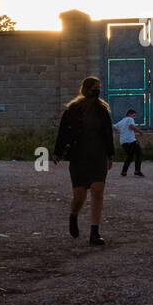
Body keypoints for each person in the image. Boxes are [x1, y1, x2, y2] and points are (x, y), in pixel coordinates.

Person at [52, 76, 113, 245]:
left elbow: (108, 133)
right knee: (79, 196)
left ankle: (95, 232)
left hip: (98, 155)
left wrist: (110, 155)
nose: (97, 89)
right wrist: (57, 153)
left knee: (97, 190)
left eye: (99, 86)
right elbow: (63, 133)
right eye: (95, 87)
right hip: (79, 156)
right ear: (86, 88)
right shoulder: (73, 109)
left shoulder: (102, 110)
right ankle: (73, 216)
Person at [115, 107, 144, 177]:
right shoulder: (130, 119)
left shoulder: (121, 121)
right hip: (130, 140)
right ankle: (137, 171)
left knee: (130, 156)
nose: (134, 117)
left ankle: (124, 172)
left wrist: (120, 132)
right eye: (134, 115)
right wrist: (140, 132)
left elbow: (114, 127)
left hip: (123, 142)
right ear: (130, 114)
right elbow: (131, 126)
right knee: (139, 153)